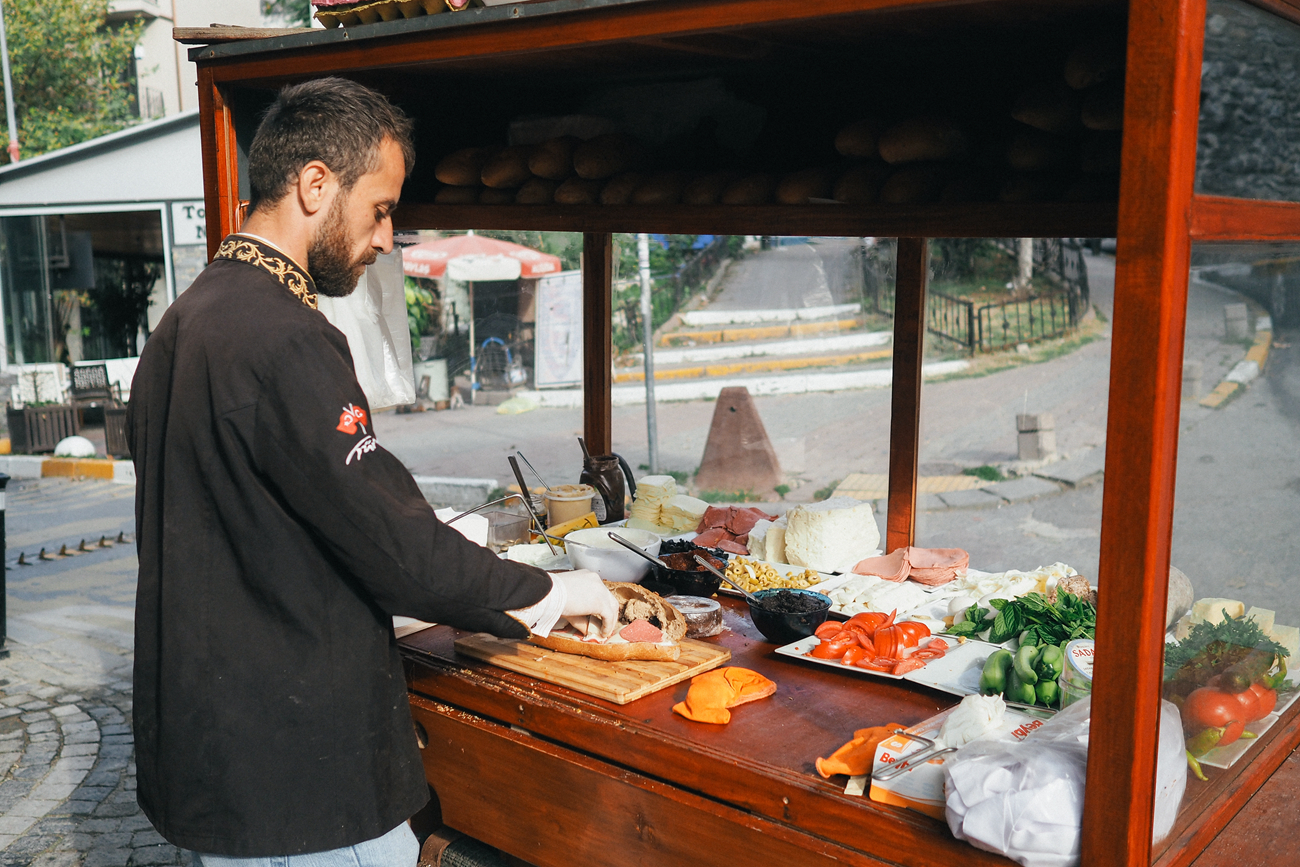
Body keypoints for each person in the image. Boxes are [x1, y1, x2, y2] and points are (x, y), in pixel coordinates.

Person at [126, 77, 619, 866]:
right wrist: (547, 592)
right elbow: (395, 546)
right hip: (307, 788)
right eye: (382, 208)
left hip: (220, 761)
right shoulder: (283, 337)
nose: (389, 237)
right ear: (315, 184)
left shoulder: (182, 325)